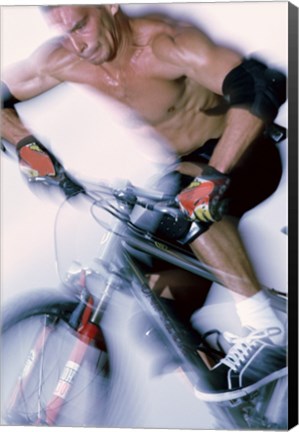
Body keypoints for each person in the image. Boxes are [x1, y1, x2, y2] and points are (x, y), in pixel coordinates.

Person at [1, 5, 287, 400]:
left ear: (110, 7)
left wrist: (214, 175)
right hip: (182, 169)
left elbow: (259, 85)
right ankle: (241, 404)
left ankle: (267, 329)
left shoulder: (164, 42)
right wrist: (29, 151)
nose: (77, 44)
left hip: (243, 153)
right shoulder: (63, 58)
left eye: (82, 26)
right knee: (156, 310)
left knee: (186, 193)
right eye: (65, 32)